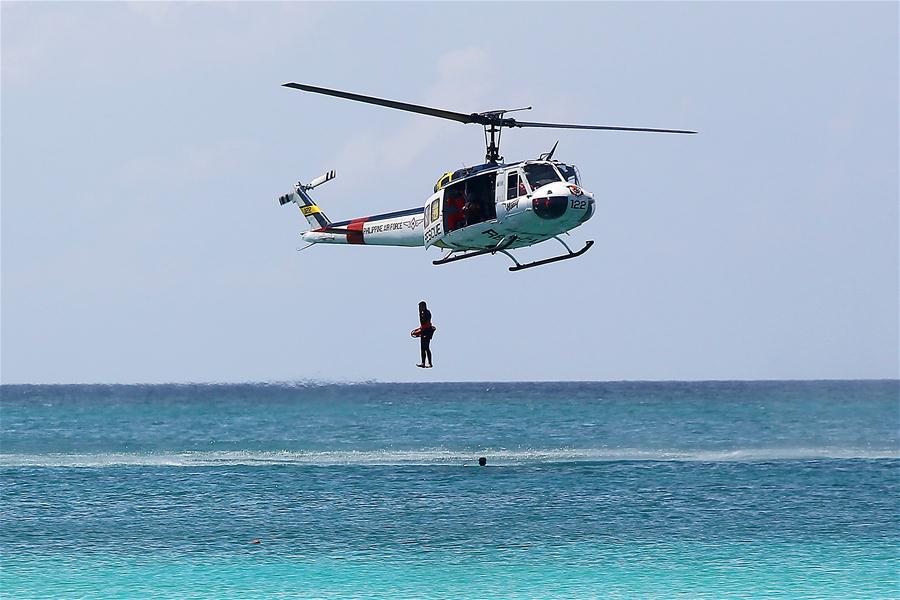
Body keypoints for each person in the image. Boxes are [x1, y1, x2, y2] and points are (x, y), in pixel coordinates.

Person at [415, 300, 435, 368]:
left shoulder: (427, 313)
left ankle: (430, 363)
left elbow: (427, 323)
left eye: (420, 307)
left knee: (426, 347)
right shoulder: (421, 313)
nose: (419, 308)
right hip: (423, 332)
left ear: (424, 306)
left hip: (427, 331)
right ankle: (423, 363)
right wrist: (420, 331)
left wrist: (423, 330)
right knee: (422, 348)